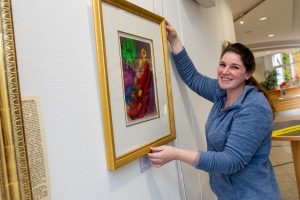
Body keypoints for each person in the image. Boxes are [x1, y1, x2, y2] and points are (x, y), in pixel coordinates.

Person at [148, 21, 281, 200]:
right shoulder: (222, 92)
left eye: (234, 67)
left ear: (247, 74)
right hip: (227, 194)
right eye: (222, 64)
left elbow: (231, 161)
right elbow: (193, 78)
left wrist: (177, 154)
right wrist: (174, 40)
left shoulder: (254, 107)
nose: (225, 71)